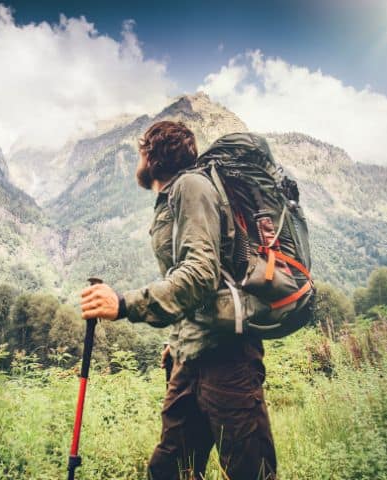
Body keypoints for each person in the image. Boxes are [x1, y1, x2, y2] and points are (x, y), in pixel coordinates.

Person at [80, 120, 277, 480]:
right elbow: (199, 275)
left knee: (251, 472)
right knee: (171, 469)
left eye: (140, 152)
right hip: (191, 357)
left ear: (153, 157)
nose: (137, 162)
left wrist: (125, 304)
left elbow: (201, 273)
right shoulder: (174, 196)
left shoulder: (190, 186)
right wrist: (178, 338)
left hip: (228, 359)